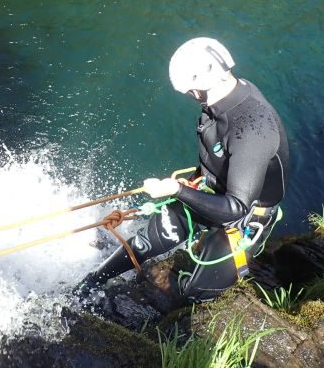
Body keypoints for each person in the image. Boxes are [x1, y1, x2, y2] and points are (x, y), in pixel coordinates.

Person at [80, 37, 289, 302]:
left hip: (242, 217)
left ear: (199, 86)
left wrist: (176, 189)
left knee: (194, 294)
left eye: (189, 90)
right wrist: (189, 187)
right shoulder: (222, 101)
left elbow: (236, 207)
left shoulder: (251, 128)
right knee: (143, 244)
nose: (190, 96)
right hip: (212, 191)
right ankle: (87, 285)